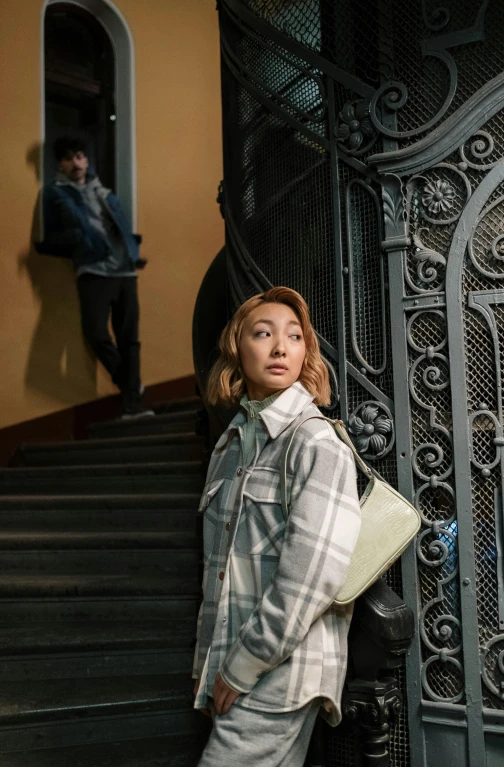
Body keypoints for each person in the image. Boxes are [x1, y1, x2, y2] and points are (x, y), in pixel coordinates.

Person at [193, 286, 361, 766]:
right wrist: (208, 665)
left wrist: (243, 667)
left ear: (306, 351)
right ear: (236, 349)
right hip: (235, 665)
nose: (280, 347)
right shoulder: (229, 447)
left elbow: (309, 578)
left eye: (294, 336)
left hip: (283, 670)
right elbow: (216, 572)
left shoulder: (315, 442)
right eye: (262, 333)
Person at [37, 136, 152, 418]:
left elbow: (120, 230)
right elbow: (48, 239)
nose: (75, 163)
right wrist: (78, 239)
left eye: (79, 156)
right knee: (96, 333)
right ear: (60, 164)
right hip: (93, 270)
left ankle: (132, 406)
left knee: (129, 339)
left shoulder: (105, 193)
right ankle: (131, 386)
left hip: (124, 270)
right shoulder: (54, 194)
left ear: (86, 160)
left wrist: (132, 252)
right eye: (68, 158)